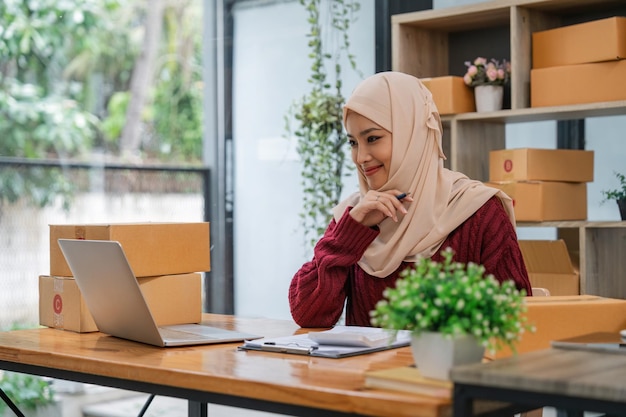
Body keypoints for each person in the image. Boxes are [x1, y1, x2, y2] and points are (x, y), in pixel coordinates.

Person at [289, 71, 532, 328]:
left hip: (448, 368)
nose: (360, 157)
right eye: (353, 142)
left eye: (372, 138)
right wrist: (351, 232)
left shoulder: (477, 210)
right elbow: (308, 315)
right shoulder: (354, 214)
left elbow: (514, 318)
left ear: (412, 133)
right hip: (364, 370)